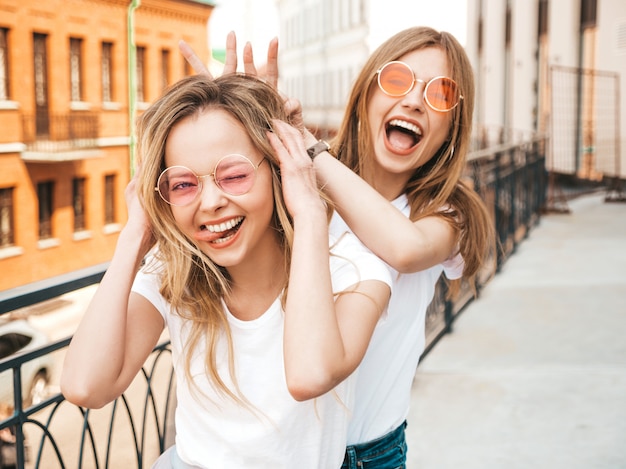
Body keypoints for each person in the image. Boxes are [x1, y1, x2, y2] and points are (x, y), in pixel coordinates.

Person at [182, 25, 495, 468]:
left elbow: (402, 247)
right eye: (398, 79)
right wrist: (232, 115)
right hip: (282, 452)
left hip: (367, 455)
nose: (412, 101)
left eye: (440, 93)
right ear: (367, 92)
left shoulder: (446, 214)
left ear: (452, 126)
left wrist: (307, 147)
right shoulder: (303, 186)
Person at [60, 73, 391, 468]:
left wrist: (309, 213)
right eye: (183, 184)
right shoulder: (173, 271)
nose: (211, 202)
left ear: (279, 170)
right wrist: (134, 238)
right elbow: (85, 387)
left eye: (234, 175)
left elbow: (309, 375)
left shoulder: (353, 269)